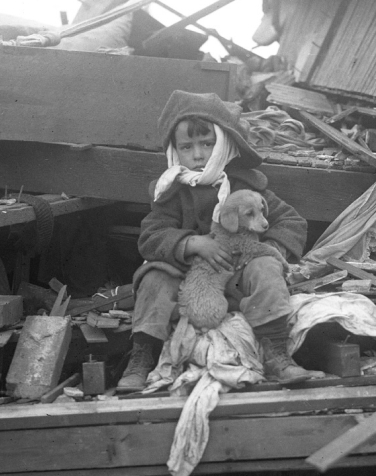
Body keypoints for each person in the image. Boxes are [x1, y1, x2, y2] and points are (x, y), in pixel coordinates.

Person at [118, 90, 324, 391]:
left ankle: (275, 351)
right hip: (190, 280)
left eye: (207, 143)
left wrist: (266, 252)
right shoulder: (172, 192)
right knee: (153, 278)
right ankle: (142, 354)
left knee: (266, 267)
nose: (198, 154)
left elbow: (290, 221)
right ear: (175, 151)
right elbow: (152, 235)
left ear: (224, 144)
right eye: (187, 147)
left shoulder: (244, 184)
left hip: (237, 281)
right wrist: (193, 244)